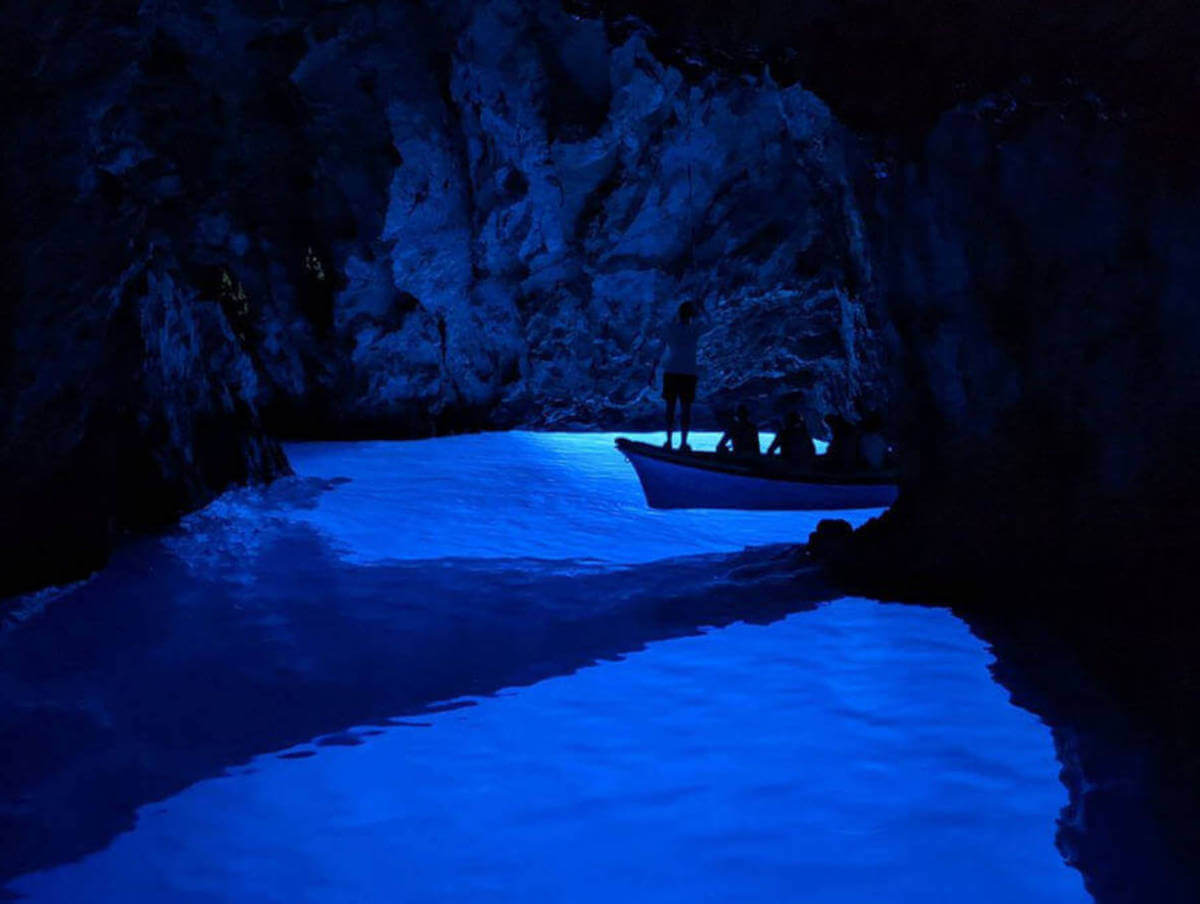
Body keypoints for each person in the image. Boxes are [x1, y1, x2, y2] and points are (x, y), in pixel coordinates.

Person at [649, 301, 703, 451]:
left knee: (670, 408)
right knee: (686, 409)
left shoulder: (669, 328)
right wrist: (700, 310)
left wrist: (653, 370)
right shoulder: (695, 329)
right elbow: (711, 322)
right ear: (692, 315)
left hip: (671, 371)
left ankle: (669, 441)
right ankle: (684, 443)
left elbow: (659, 349)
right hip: (689, 372)